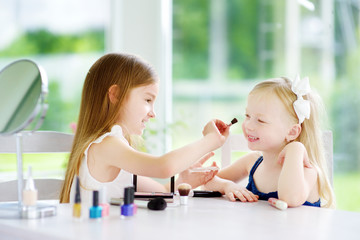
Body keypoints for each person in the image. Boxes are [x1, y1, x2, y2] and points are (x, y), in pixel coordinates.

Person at [59, 53, 229, 204]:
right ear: (116, 95)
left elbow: (162, 192)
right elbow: (164, 167)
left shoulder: (117, 151)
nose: (153, 113)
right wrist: (210, 141)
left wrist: (184, 180)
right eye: (148, 100)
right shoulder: (106, 145)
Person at [204, 76, 335, 208]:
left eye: (261, 121)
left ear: (291, 132)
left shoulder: (307, 171)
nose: (248, 125)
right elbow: (207, 181)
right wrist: (227, 186)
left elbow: (290, 198)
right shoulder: (251, 162)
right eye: (247, 116)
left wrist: (296, 149)